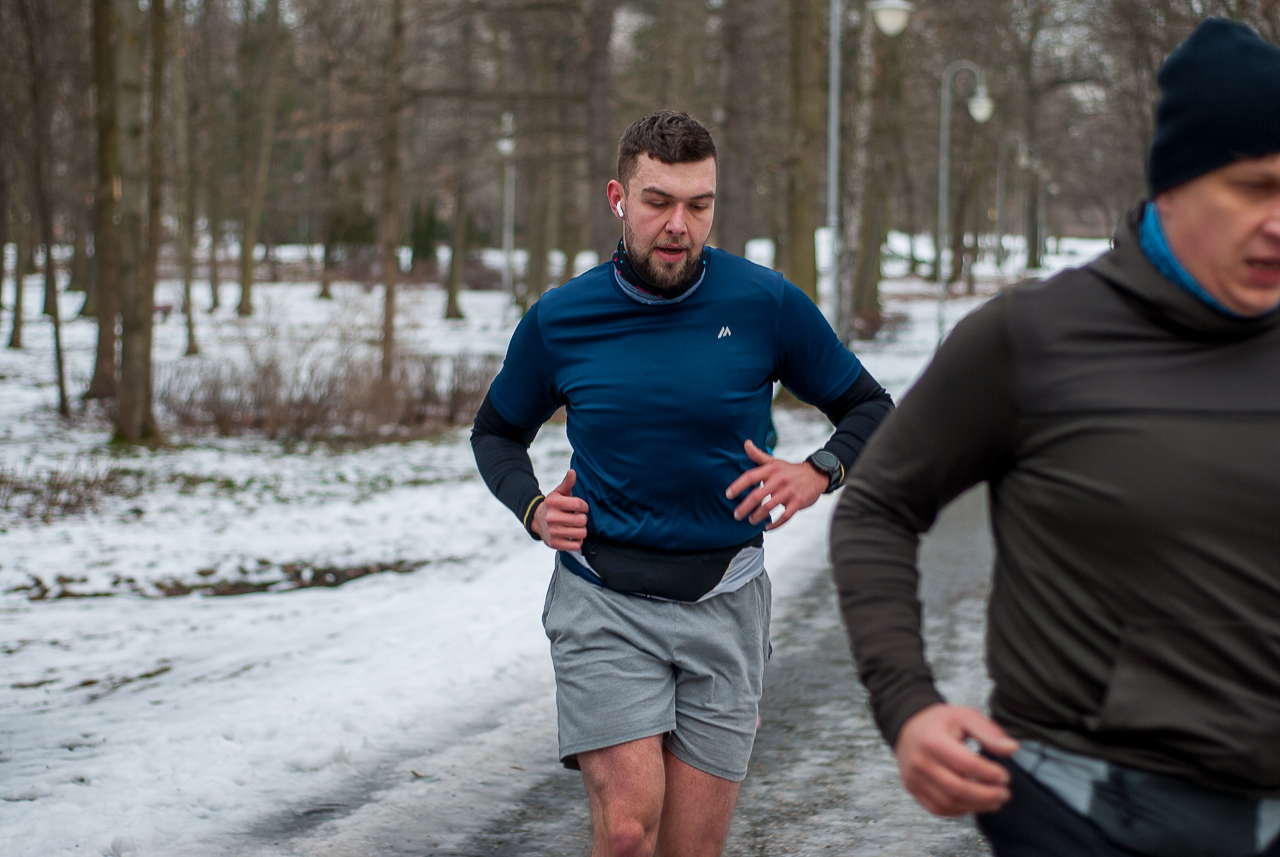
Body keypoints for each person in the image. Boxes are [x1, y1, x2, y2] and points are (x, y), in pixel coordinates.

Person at [828, 18, 1280, 857]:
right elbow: (879, 507)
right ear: (1175, 184)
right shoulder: (1034, 336)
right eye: (1255, 186)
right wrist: (908, 702)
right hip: (1089, 810)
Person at [472, 110, 892, 857]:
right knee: (630, 827)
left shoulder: (762, 303)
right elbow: (496, 432)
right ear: (617, 198)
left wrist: (818, 470)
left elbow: (870, 409)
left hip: (725, 600)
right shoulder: (563, 318)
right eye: (658, 200)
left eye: (699, 204)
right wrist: (534, 508)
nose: (678, 224)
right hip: (603, 596)